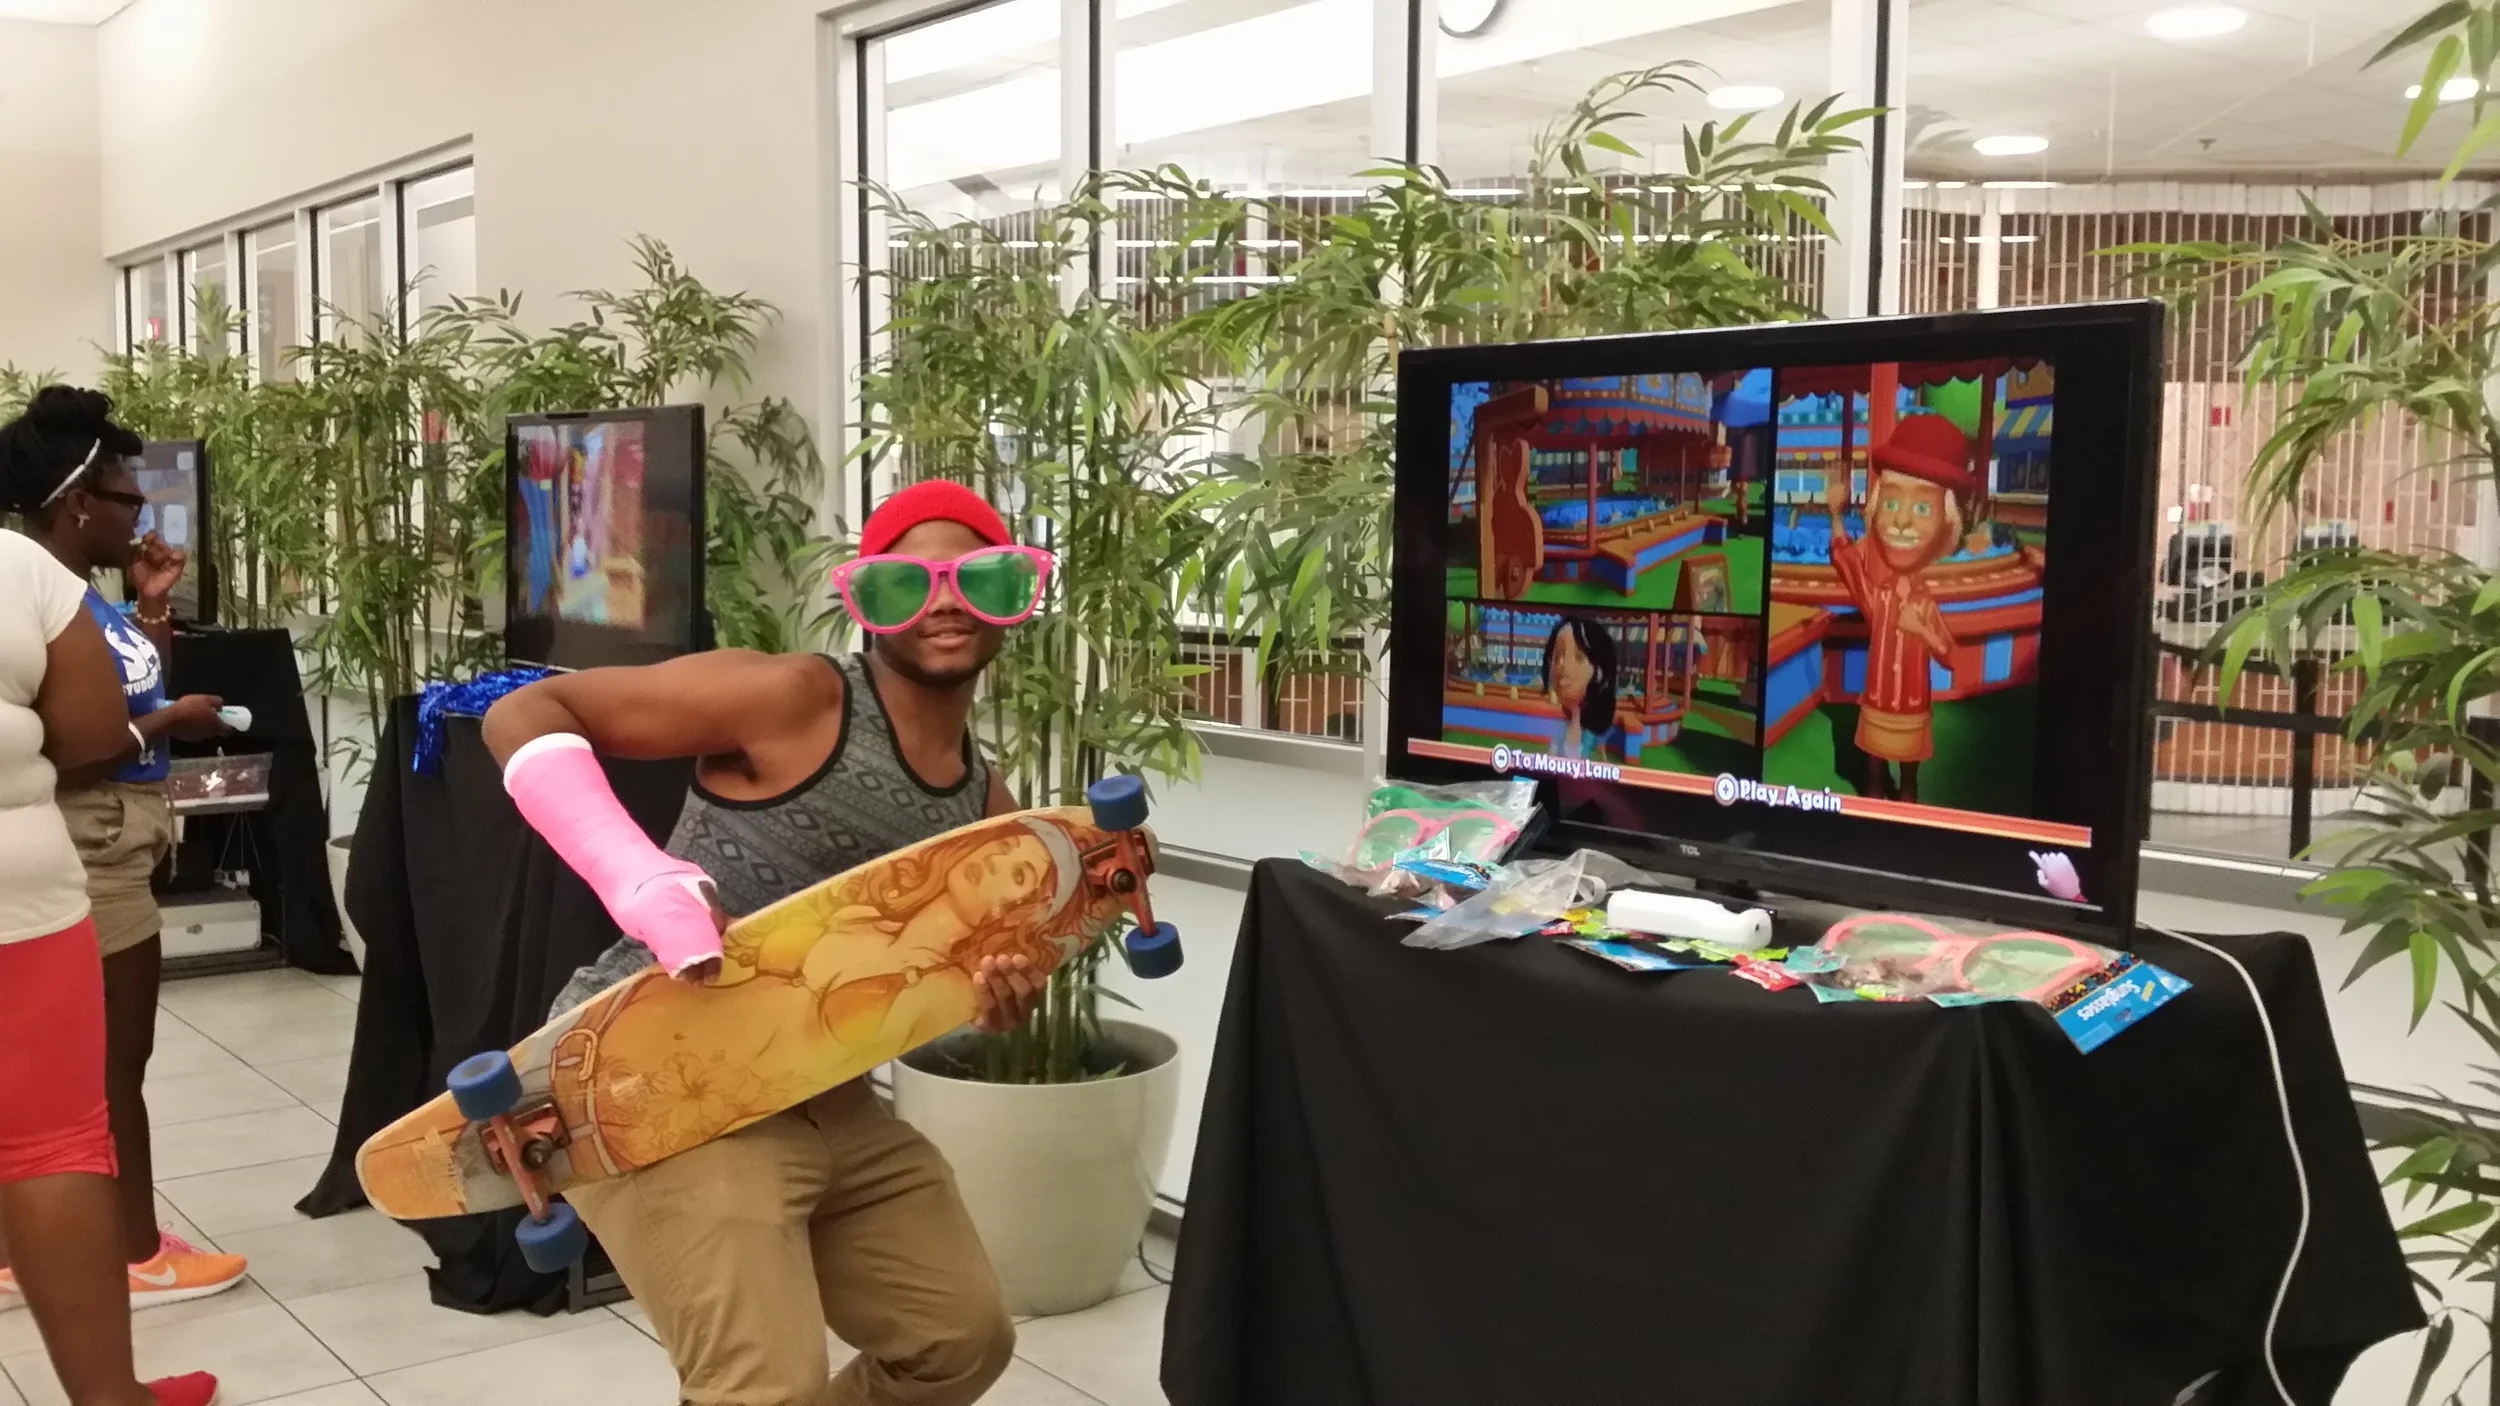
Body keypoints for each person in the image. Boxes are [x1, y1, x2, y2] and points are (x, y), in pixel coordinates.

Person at [480, 478, 1056, 1406]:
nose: (946, 603)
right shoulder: (797, 698)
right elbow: (523, 715)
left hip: (821, 1090)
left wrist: (997, 999)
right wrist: (637, 874)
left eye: (977, 578)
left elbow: (963, 987)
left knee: (957, 1340)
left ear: (1013, 595)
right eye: (910, 583)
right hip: (655, 1071)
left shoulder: (984, 803)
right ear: (867, 600)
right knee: (764, 1387)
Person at [0, 386, 249, 1309]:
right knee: (113, 1067)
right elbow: (82, 745)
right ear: (76, 504)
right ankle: (138, 1253)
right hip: (92, 846)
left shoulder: (78, 596)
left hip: (111, 837)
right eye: (127, 497)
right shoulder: (34, 590)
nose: (142, 514)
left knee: (69, 1068)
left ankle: (22, 1252)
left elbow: (124, 698)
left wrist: (151, 611)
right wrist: (169, 724)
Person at [0, 524, 217, 1405]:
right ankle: (110, 1390)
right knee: (53, 1143)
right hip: (21, 886)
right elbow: (90, 732)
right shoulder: (19, 568)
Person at [1823, 410, 1973, 804]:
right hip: (1877, 704)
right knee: (1874, 775)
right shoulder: (1881, 597)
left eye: (1922, 508)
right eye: (1890, 503)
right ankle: (1876, 791)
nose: (1902, 522)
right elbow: (1848, 564)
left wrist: (1921, 629)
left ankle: (1907, 796)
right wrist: (1835, 515)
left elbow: (1951, 655)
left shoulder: (1924, 604)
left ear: (1947, 525)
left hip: (1912, 708)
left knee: (1909, 781)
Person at [1543, 615, 1620, 762]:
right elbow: (1552, 754)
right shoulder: (1561, 729)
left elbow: (1586, 758)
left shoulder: (1590, 734)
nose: (1562, 664)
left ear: (1600, 672)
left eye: (1579, 657)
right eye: (1556, 656)